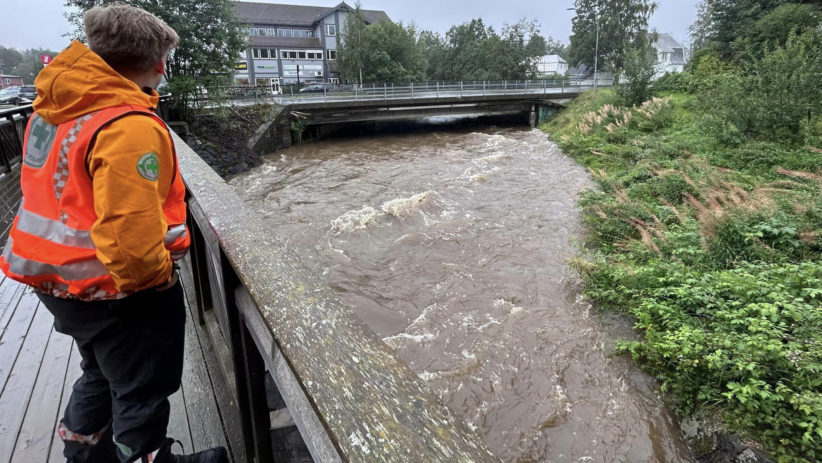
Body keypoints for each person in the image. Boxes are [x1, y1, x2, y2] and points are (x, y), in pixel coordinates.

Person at [0, 4, 228, 463]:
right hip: (116, 289)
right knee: (142, 387)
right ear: (159, 63)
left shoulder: (54, 110)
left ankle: (85, 455)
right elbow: (129, 236)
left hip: (56, 278)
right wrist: (158, 280)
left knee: (100, 372)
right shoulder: (126, 125)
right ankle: (146, 456)